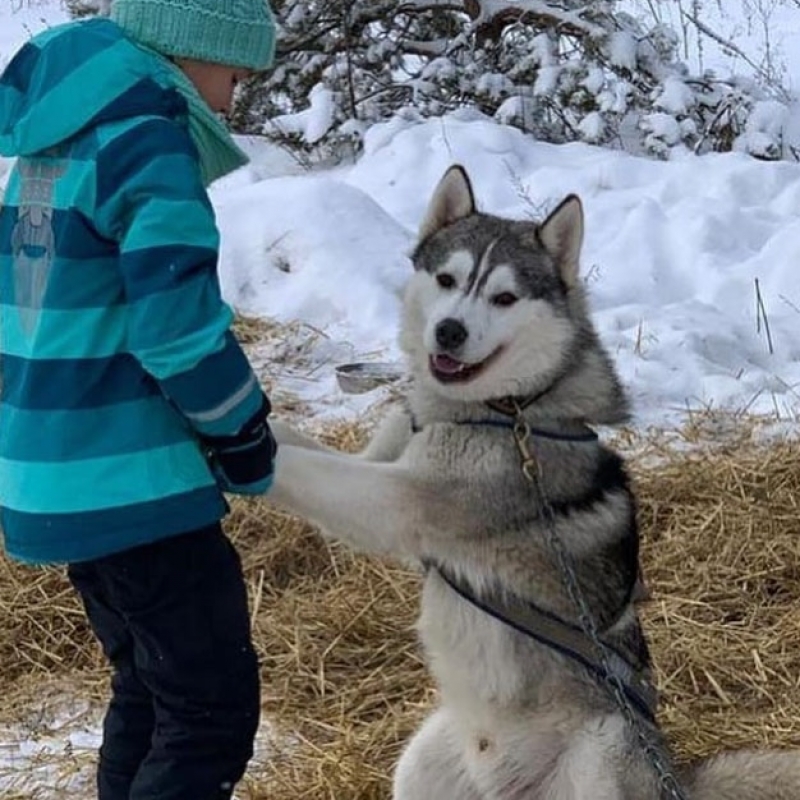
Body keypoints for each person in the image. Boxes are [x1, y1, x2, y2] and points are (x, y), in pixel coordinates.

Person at [0, 1, 278, 798]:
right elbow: (179, 333)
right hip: (134, 479)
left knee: (150, 692)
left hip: (53, 474)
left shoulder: (55, 141)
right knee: (210, 711)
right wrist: (242, 434)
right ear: (190, 51)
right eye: (232, 75)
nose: (229, 101)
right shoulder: (148, 138)